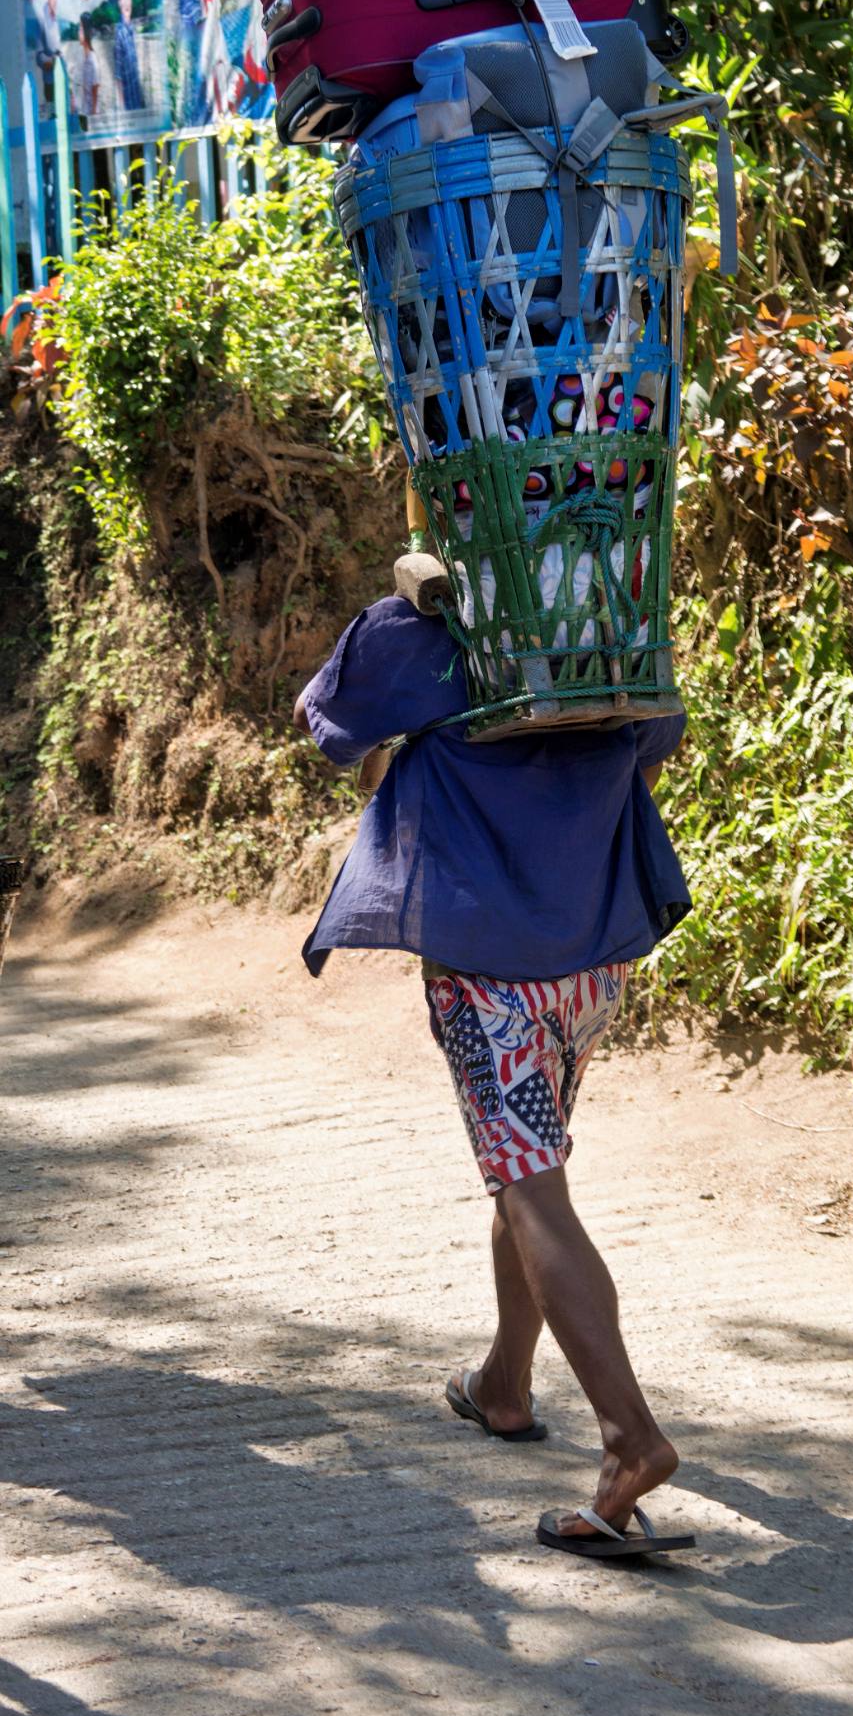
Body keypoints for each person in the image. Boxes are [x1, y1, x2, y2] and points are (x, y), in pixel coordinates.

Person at [293, 594, 696, 1560]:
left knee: (531, 1187)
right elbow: (652, 747)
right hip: (593, 954)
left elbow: (331, 730)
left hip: (487, 973)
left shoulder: (417, 628)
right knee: (525, 1172)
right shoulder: (610, 610)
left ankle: (630, 1442)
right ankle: (504, 1386)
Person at [113, 0, 144, 112]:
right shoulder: (119, 32)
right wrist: (123, 111)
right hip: (129, 106)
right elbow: (118, 76)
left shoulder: (131, 29)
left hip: (137, 100)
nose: (126, 1)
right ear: (119, 1)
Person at [34, 0, 63, 105]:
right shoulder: (41, 19)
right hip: (50, 84)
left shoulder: (56, 19)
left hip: (61, 80)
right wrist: (52, 61)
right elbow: (39, 57)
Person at [76, 12, 99, 125]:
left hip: (90, 115)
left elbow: (95, 88)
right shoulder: (81, 57)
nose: (78, 32)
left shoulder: (92, 59)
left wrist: (94, 114)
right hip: (82, 112)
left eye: (80, 28)